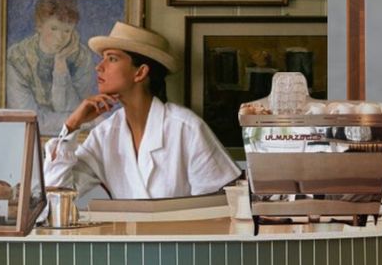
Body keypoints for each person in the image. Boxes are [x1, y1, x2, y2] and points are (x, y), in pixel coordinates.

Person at [45, 22, 240, 199]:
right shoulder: (105, 134)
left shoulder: (186, 128)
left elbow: (218, 205)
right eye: (102, 59)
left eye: (111, 59)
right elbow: (55, 196)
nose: (99, 67)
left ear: (140, 72)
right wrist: (71, 126)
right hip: (125, 238)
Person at [6, 0, 94, 135]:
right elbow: (29, 120)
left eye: (67, 30)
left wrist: (60, 65)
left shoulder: (82, 57)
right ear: (39, 26)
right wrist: (86, 121)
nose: (60, 37)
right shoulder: (17, 58)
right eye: (54, 28)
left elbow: (73, 110)